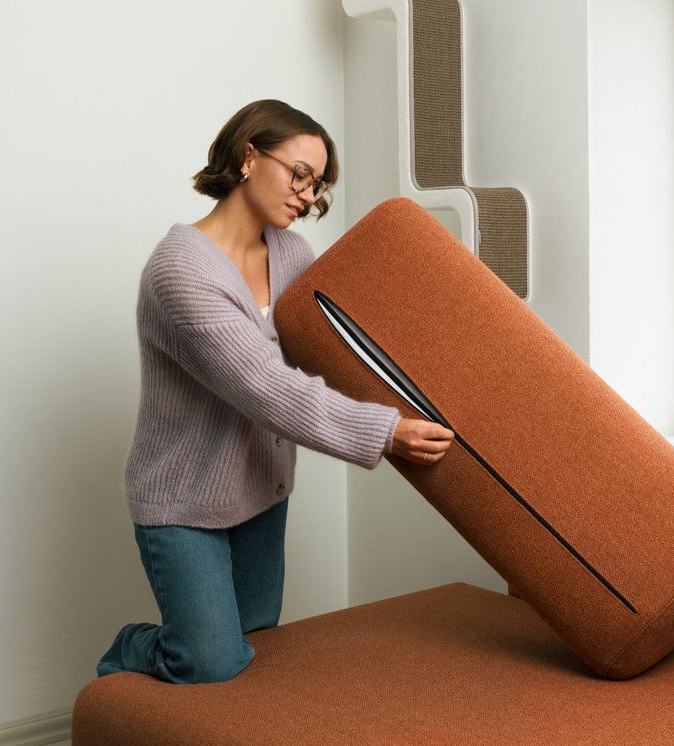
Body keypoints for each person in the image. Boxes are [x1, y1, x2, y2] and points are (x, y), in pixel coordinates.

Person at [97, 99, 454, 684]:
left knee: (256, 642)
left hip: (262, 491)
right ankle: (132, 646)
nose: (308, 196)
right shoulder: (180, 272)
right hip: (184, 502)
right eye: (300, 175)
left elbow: (328, 353)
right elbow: (266, 387)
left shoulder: (291, 254)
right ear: (247, 157)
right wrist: (386, 432)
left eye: (317, 185)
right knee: (211, 660)